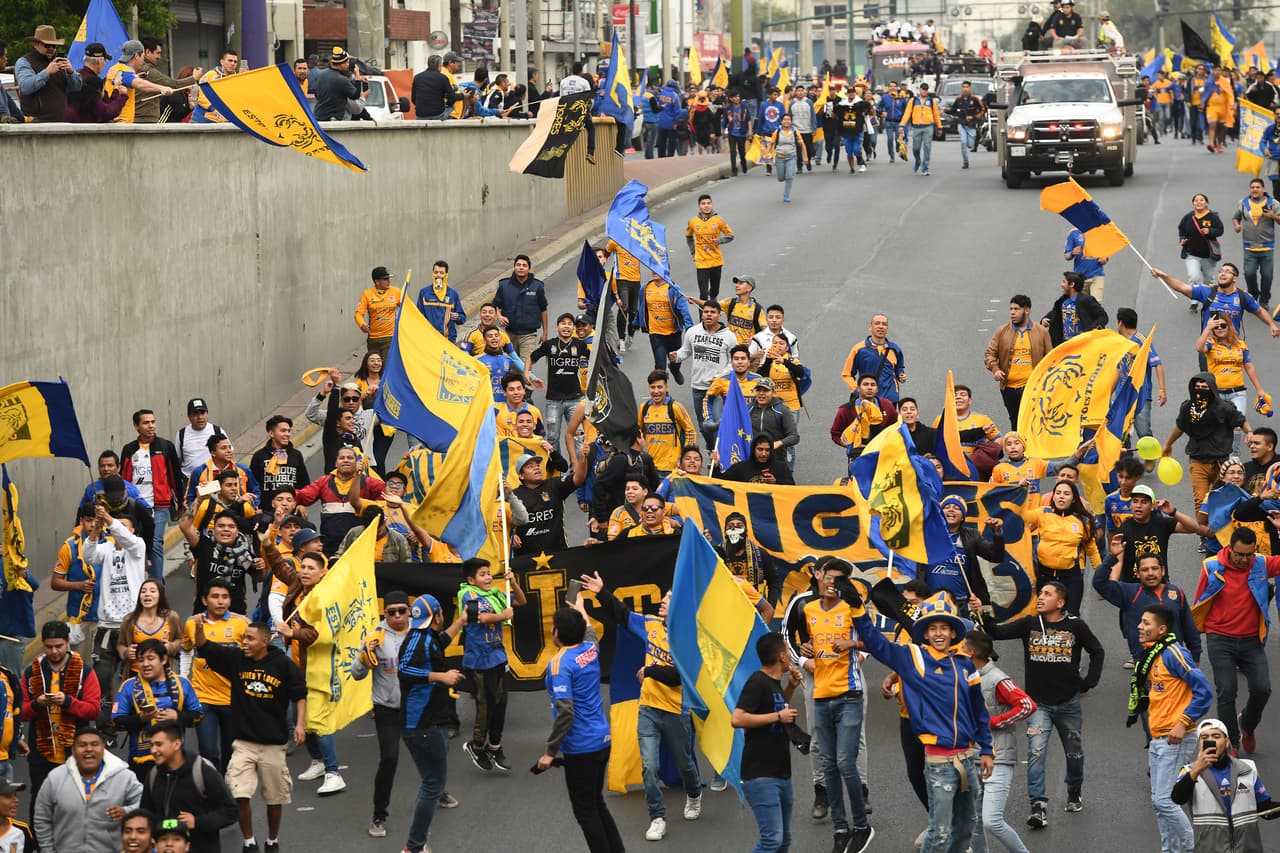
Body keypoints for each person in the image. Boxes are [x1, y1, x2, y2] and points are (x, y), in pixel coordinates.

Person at [842, 581, 991, 853]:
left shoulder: (964, 664)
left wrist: (987, 750)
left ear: (953, 631)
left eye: (943, 628)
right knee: (939, 828)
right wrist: (857, 609)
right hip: (937, 757)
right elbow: (876, 643)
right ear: (925, 631)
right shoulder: (912, 657)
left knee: (966, 824)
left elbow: (979, 709)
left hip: (967, 757)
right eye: (932, 628)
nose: (938, 633)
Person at [580, 572, 702, 841]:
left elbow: (678, 677)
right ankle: (657, 816)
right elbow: (622, 614)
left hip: (675, 711)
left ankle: (694, 794)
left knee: (685, 764)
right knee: (649, 766)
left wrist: (650, 670)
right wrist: (601, 591)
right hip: (647, 707)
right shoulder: (650, 625)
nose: (662, 602)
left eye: (668, 599)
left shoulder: (688, 640)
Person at [983, 581, 1104, 828]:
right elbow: (997, 633)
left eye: (1047, 595)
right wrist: (982, 613)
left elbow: (1097, 651)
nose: (1040, 597)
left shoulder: (1076, 626)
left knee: (1075, 752)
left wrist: (1088, 682)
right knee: (1036, 753)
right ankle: (1038, 806)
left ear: (1060, 603)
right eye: (1040, 594)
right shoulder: (1029, 624)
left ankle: (1074, 788)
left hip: (1069, 703)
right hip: (1038, 706)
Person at [192, 619, 306, 853]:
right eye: (244, 637)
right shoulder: (236, 660)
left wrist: (300, 725)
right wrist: (199, 627)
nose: (244, 642)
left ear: (265, 641)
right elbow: (204, 648)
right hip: (243, 742)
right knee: (239, 793)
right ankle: (249, 841)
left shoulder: (283, 665)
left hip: (273, 744)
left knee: (275, 798)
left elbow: (300, 694)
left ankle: (272, 841)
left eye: (250, 638)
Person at [792, 559, 873, 853]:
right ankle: (840, 828)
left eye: (839, 580)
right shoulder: (809, 609)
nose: (832, 584)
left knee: (844, 762)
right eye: (829, 578)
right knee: (828, 764)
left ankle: (862, 825)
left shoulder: (853, 608)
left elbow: (873, 641)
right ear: (819, 577)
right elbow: (805, 643)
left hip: (849, 693)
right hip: (821, 694)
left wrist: (853, 645)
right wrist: (805, 652)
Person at [537, 597, 623, 853]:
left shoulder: (559, 664)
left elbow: (565, 713)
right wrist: (581, 609)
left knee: (586, 812)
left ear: (557, 633)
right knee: (596, 804)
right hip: (602, 739)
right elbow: (589, 630)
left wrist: (550, 752)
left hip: (581, 746)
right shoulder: (590, 649)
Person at [1127, 605, 1213, 853]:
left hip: (1175, 738)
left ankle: (1194, 848)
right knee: (1160, 803)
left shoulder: (1174, 654)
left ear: (1162, 629)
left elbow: (1204, 691)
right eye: (1140, 622)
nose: (1140, 627)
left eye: (1146, 623)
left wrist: (1182, 722)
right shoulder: (1152, 654)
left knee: (1165, 801)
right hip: (1158, 739)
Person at [1191, 527, 1280, 754]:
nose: (1244, 559)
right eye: (1239, 554)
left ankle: (1247, 725)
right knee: (1227, 691)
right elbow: (1199, 604)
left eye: (1249, 554)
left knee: (1262, 689)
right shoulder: (1212, 567)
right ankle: (1231, 741)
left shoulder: (1261, 564)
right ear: (1229, 548)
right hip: (1220, 639)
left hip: (1251, 640)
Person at [397, 595, 464, 853]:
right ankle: (413, 847)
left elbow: (440, 642)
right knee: (432, 785)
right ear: (436, 616)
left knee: (434, 777)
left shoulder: (426, 637)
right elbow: (404, 670)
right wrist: (441, 676)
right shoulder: (418, 641)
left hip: (431, 721)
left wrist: (460, 622)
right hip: (421, 725)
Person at [964, 631, 1035, 853]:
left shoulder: (997, 679)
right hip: (972, 757)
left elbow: (1027, 705)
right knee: (974, 821)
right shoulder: (967, 676)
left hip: (999, 757)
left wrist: (992, 722)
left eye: (961, 647)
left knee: (991, 820)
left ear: (972, 652)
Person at [21, 621, 101, 813]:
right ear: (43, 645)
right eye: (49, 647)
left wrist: (68, 702)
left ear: (67, 642)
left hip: (76, 753)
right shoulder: (32, 673)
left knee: (77, 805)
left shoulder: (85, 671)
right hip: (41, 753)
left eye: (59, 646)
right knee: (40, 804)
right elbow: (21, 712)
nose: (55, 651)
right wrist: (37, 705)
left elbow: (93, 710)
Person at [732, 632, 802, 853]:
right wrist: (778, 717)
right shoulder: (757, 681)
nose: (791, 655)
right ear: (781, 656)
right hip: (761, 775)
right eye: (788, 651)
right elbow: (737, 718)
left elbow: (776, 708)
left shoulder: (774, 685)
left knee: (784, 839)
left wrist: (790, 688)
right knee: (772, 840)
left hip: (781, 773)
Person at [349, 591, 412, 837]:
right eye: (391, 612)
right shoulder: (375, 637)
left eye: (402, 611)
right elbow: (356, 674)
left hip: (415, 706)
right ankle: (378, 816)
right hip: (386, 709)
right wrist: (365, 655)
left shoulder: (419, 633)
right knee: (389, 758)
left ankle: (437, 792)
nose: (397, 616)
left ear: (409, 611)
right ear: (384, 613)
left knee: (429, 754)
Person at [83, 504, 149, 729]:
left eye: (124, 526)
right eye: (117, 526)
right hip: (106, 627)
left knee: (136, 677)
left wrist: (110, 520)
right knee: (102, 678)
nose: (118, 530)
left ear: (132, 531)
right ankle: (104, 726)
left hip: (132, 626)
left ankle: (135, 720)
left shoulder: (137, 547)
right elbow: (88, 554)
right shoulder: (106, 549)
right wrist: (97, 528)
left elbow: (121, 533)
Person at [1171, 717, 1280, 850]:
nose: (1210, 740)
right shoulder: (1189, 771)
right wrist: (1196, 770)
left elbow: (1265, 808)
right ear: (1199, 743)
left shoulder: (1247, 768)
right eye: (1204, 737)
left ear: (1227, 741)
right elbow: (1177, 798)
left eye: (1216, 736)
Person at [1163, 374, 1249, 538]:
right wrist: (1168, 444)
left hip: (1221, 463)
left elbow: (1241, 421)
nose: (1201, 391)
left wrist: (1250, 433)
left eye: (1205, 388)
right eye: (1198, 387)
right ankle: (1205, 535)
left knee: (1221, 499)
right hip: (1198, 461)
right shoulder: (1188, 408)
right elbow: (1180, 427)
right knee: (1201, 501)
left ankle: (1225, 532)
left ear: (1212, 388)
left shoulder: (1224, 408)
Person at [34, 724, 142, 853]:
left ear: (103, 749)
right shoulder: (55, 778)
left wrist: (127, 811)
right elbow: (42, 818)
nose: (89, 749)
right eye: (82, 745)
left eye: (95, 744)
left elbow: (145, 806)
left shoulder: (124, 777)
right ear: (73, 750)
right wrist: (48, 850)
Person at [179, 580, 248, 773]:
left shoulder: (242, 623)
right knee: (209, 753)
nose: (220, 602)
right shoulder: (192, 623)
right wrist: (184, 678)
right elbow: (185, 650)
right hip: (203, 698)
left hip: (232, 699)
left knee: (231, 754)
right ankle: (211, 790)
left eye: (225, 597)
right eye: (215, 597)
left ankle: (228, 794)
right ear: (204, 600)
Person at [140, 722, 238, 853]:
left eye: (159, 744)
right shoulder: (153, 776)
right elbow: (146, 814)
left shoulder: (203, 772)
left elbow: (231, 811)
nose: (153, 750)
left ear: (177, 744)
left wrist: (197, 822)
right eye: (151, 745)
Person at [111, 640, 203, 775]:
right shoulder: (128, 686)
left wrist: (177, 717)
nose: (145, 664)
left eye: (150, 658)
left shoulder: (182, 684)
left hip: (176, 758)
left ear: (164, 659)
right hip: (140, 760)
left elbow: (198, 716)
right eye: (141, 660)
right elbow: (116, 721)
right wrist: (141, 718)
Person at [121, 409, 186, 581]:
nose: (151, 426)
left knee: (156, 543)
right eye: (145, 423)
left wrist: (180, 503)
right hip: (135, 507)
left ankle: (157, 585)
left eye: (153, 422)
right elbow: (124, 478)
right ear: (136, 426)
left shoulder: (165, 447)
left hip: (160, 505)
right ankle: (139, 584)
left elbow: (175, 476)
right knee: (136, 544)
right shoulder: (129, 450)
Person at [1028, 480, 1101, 616]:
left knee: (1071, 617)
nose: (1061, 496)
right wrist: (1021, 490)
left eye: (1066, 494)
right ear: (1053, 497)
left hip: (1071, 578)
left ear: (1073, 499)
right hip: (1044, 576)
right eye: (1058, 493)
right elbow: (1019, 516)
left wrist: (1101, 576)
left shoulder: (1082, 521)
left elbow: (1092, 550)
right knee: (1044, 616)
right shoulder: (1042, 513)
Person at [1151, 263, 1280, 336]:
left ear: (1235, 278)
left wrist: (1272, 325)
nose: (1222, 273)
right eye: (1221, 271)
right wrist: (1164, 275)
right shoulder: (1206, 291)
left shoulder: (1243, 296)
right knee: (1208, 383)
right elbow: (1182, 287)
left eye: (1227, 272)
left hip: (1233, 348)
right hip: (1208, 346)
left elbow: (1259, 311)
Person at [15, 25, 83, 122]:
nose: (51, 49)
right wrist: (47, 72)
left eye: (54, 46)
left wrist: (71, 72)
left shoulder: (60, 61)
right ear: (36, 44)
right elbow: (25, 87)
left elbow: (76, 88)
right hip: (36, 123)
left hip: (61, 121)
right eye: (47, 45)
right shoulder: (25, 62)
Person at [1231, 178, 1279, 309]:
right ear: (1250, 189)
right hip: (1249, 246)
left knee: (1267, 276)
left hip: (1267, 246)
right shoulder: (1243, 203)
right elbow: (1235, 217)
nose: (1255, 189)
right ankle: (1253, 294)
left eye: (1258, 187)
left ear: (1263, 189)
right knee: (1249, 273)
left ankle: (1264, 299)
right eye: (1252, 187)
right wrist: (1236, 225)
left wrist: (1273, 217)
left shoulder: (1272, 203)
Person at [842, 314, 907, 404]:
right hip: (867, 399)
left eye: (884, 324)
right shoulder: (859, 349)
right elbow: (847, 374)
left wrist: (901, 375)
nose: (881, 326)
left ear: (887, 328)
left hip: (889, 399)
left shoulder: (894, 349)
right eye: (877, 323)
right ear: (870, 327)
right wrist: (856, 390)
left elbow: (899, 367)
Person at [685, 195, 734, 302]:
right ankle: (702, 317)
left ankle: (713, 300)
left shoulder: (718, 220)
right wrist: (693, 253)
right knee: (703, 294)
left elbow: (730, 235)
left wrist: (720, 240)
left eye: (708, 203)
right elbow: (688, 237)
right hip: (701, 262)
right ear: (699, 206)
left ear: (712, 205)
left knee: (715, 290)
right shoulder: (693, 222)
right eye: (703, 204)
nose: (706, 206)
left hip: (716, 260)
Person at [1041, 272, 1107, 345]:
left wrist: (1089, 331)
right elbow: (1054, 313)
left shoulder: (1086, 300)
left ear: (1072, 284)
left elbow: (1103, 317)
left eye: (1064, 282)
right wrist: (1044, 319)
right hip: (1065, 344)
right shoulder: (1062, 301)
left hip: (1083, 344)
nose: (1061, 285)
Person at [354, 266, 402, 361]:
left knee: (385, 366)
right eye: (385, 279)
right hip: (373, 339)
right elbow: (358, 314)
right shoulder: (367, 294)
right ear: (377, 282)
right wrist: (362, 324)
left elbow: (407, 308)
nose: (388, 281)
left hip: (390, 337)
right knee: (374, 366)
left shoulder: (396, 292)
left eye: (388, 278)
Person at [309, 47, 366, 121]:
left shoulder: (321, 74)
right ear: (341, 64)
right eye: (347, 62)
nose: (348, 65)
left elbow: (316, 94)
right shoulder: (342, 80)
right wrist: (357, 78)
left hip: (318, 117)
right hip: (334, 119)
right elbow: (355, 96)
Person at [900, 82, 941, 175]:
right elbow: (907, 113)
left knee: (927, 147)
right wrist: (902, 125)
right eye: (923, 89)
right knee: (916, 148)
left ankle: (925, 167)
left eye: (926, 89)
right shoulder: (913, 100)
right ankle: (918, 160)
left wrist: (939, 127)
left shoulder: (931, 101)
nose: (924, 91)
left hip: (928, 127)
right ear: (920, 90)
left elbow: (936, 115)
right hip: (917, 127)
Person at [770, 113, 808, 203]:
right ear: (781, 121)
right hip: (780, 157)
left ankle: (786, 195)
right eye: (785, 119)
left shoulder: (795, 132)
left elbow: (802, 144)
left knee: (789, 176)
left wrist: (805, 157)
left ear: (791, 122)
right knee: (781, 178)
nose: (786, 121)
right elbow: (771, 143)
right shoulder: (777, 132)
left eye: (788, 120)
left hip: (791, 156)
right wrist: (767, 153)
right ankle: (782, 177)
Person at [1063, 228, 1109, 301]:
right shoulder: (1073, 233)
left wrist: (1105, 258)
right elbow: (1066, 255)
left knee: (1096, 304)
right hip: (1080, 276)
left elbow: (1106, 251)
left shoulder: (1100, 232)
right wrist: (1072, 253)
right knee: (1081, 304)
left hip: (1097, 275)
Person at [948, 81, 986, 169]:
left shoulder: (975, 99)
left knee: (970, 144)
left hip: (971, 125)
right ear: (962, 88)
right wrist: (946, 111)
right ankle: (965, 161)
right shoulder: (958, 99)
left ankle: (971, 145)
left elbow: (983, 109)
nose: (965, 89)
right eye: (963, 87)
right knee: (963, 142)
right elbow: (953, 110)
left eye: (967, 87)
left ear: (970, 88)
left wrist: (974, 117)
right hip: (962, 123)